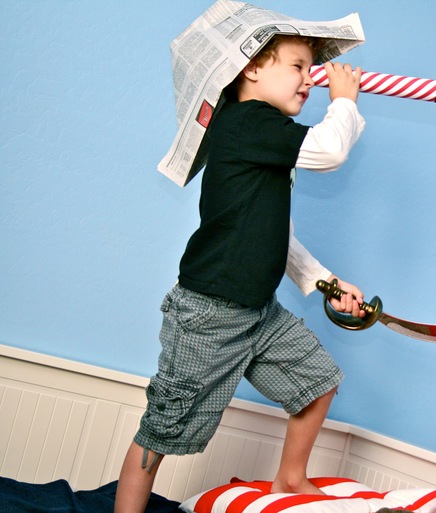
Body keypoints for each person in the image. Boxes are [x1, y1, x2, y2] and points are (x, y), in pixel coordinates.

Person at [114, 34, 367, 513]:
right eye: (297, 66)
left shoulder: (267, 136)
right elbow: (330, 151)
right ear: (251, 68)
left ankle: (290, 479)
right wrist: (344, 102)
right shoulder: (247, 121)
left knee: (318, 381)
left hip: (258, 311)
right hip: (208, 313)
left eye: (311, 69)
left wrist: (327, 284)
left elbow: (275, 235)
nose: (310, 79)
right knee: (162, 429)